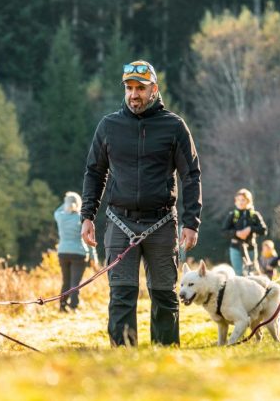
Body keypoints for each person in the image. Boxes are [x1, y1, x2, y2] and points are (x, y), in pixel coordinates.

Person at [80, 60, 202, 347]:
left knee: (164, 294)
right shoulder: (109, 125)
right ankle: (125, 360)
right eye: (129, 88)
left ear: (154, 89)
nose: (134, 94)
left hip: (161, 223)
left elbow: (190, 175)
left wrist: (191, 222)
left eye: (140, 88)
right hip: (120, 222)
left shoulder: (174, 127)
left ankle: (166, 356)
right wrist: (87, 215)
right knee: (121, 294)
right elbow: (94, 172)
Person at [54, 191, 99, 313]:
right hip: (79, 253)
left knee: (66, 281)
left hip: (63, 252)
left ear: (65, 204)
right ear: (79, 204)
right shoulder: (82, 218)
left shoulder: (60, 216)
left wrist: (66, 202)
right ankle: (74, 307)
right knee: (75, 283)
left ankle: (62, 306)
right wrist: (94, 258)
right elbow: (88, 239)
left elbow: (58, 210)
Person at [221, 189, 267, 276]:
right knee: (239, 274)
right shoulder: (232, 215)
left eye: (243, 200)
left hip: (250, 248)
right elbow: (224, 231)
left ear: (248, 201)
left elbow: (264, 230)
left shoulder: (254, 215)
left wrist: (250, 229)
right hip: (235, 248)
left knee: (250, 274)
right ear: (235, 202)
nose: (240, 202)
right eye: (238, 200)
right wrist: (236, 233)